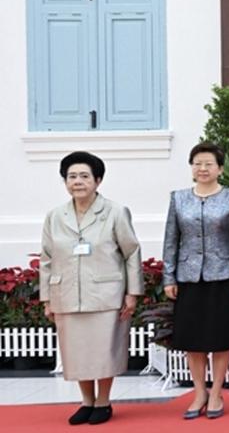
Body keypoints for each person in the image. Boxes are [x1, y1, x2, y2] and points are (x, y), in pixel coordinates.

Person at [39, 151, 142, 426]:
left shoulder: (115, 212)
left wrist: (132, 293)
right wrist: (46, 298)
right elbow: (47, 259)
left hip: (105, 294)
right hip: (67, 294)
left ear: (97, 180)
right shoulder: (55, 216)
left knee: (102, 351)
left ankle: (103, 401)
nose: (78, 182)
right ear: (65, 182)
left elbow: (131, 252)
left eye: (84, 176)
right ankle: (86, 401)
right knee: (77, 352)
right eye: (72, 177)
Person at [162, 142, 229, 419]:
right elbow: (170, 241)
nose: (202, 168)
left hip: (222, 276)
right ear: (191, 167)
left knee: (220, 337)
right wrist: (168, 277)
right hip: (188, 277)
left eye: (209, 163)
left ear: (220, 168)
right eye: (197, 163)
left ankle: (216, 392)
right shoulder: (178, 198)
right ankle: (199, 391)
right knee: (192, 338)